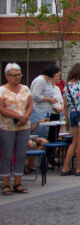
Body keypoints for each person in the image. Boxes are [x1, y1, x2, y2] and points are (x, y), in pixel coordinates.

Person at [0, 63, 33, 195]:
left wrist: (25, 117)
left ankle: (18, 183)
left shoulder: (25, 89)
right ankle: (6, 184)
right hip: (7, 126)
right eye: (14, 75)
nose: (17, 77)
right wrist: (18, 116)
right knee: (7, 155)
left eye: (19, 75)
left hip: (24, 126)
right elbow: (2, 109)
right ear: (7, 76)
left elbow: (30, 105)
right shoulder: (2, 90)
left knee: (20, 155)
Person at [60, 63, 80, 176]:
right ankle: (79, 168)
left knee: (74, 142)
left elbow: (65, 105)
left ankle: (65, 167)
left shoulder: (67, 86)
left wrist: (67, 118)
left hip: (73, 113)